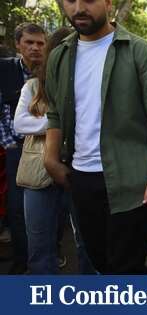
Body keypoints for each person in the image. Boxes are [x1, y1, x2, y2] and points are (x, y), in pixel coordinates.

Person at [44, 0, 147, 274]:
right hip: (81, 177)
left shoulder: (140, 51)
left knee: (127, 267)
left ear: (108, 3)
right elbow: (55, 111)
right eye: (70, 1)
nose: (79, 7)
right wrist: (50, 159)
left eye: (89, 0)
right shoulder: (60, 55)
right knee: (99, 261)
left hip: (132, 179)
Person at [14, 27, 73, 274]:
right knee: (39, 249)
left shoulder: (87, 84)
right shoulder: (33, 86)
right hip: (37, 172)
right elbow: (19, 124)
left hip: (77, 170)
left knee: (85, 244)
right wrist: (57, 122)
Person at [0, 22, 46, 274]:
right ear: (18, 44)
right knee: (17, 209)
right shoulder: (5, 69)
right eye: (29, 42)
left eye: (40, 43)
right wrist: (10, 146)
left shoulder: (51, 71)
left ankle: (46, 253)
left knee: (50, 206)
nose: (35, 48)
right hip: (16, 148)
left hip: (46, 148)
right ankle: (21, 262)